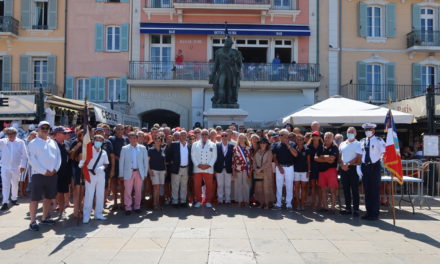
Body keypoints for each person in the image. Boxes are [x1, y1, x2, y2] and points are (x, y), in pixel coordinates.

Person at [27, 121, 61, 231]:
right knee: (34, 199)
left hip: (52, 174)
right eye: (43, 127)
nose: (45, 129)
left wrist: (56, 169)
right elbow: (32, 160)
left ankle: (44, 217)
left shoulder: (53, 142)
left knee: (48, 198)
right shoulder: (33, 143)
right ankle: (32, 221)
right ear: (38, 128)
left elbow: (58, 157)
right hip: (38, 175)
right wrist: (43, 171)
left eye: (47, 127)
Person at [79, 135, 109, 224]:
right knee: (89, 195)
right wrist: (81, 163)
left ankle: (98, 214)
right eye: (97, 140)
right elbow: (83, 161)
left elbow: (106, 163)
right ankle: (86, 215)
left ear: (102, 142)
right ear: (93, 140)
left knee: (100, 194)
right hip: (89, 174)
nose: (98, 141)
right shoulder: (88, 150)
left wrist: (102, 167)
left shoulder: (104, 152)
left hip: (100, 174)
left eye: (100, 140)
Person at [119, 132, 149, 215]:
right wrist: (121, 174)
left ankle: (137, 206)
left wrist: (145, 173)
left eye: (134, 138)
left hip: (139, 172)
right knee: (128, 191)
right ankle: (128, 207)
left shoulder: (142, 148)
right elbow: (121, 162)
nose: (133, 140)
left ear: (137, 138)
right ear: (129, 139)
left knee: (138, 191)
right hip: (128, 172)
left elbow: (145, 162)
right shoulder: (124, 148)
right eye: (131, 138)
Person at [360, 123, 386, 221]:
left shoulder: (379, 140)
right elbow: (361, 154)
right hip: (365, 167)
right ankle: (368, 212)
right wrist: (359, 167)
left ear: (374, 130)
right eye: (366, 130)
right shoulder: (362, 141)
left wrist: (383, 157)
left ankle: (374, 213)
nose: (367, 131)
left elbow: (384, 151)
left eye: (369, 129)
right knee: (367, 190)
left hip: (374, 167)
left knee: (374, 191)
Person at [0, 127, 28, 211]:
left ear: (15, 134)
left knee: (15, 184)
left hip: (16, 167)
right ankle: (5, 202)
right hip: (5, 167)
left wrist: (23, 166)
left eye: (11, 133)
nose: (10, 135)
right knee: (6, 185)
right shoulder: (3, 141)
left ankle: (14, 198)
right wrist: (3, 131)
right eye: (8, 134)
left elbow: (24, 155)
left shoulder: (20, 142)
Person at [339, 127, 362, 217]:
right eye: (348, 132)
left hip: (353, 168)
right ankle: (348, 208)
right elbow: (339, 156)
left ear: (356, 133)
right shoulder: (342, 143)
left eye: (352, 132)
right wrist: (342, 164)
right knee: (345, 189)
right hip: (343, 169)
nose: (350, 133)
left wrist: (347, 164)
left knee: (355, 190)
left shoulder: (358, 144)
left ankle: (356, 209)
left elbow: (358, 157)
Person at [272, 129, 298, 209]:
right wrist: (279, 167)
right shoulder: (276, 145)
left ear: (286, 136)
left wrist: (288, 145)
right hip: (279, 167)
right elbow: (274, 158)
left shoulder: (292, 144)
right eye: (280, 135)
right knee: (279, 185)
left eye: (281, 135)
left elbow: (295, 155)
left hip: (289, 167)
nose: (280, 136)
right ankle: (278, 203)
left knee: (289, 186)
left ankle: (288, 203)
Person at [191, 129, 217, 208]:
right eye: (203, 134)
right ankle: (199, 200)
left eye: (206, 134)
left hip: (208, 168)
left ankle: (208, 201)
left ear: (208, 135)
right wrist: (198, 165)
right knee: (197, 185)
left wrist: (208, 165)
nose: (204, 136)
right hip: (197, 168)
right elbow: (193, 155)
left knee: (209, 185)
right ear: (201, 135)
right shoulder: (195, 144)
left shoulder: (213, 144)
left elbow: (214, 156)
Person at [166, 130, 192, 207]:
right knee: (175, 185)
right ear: (179, 136)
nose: (183, 136)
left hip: (186, 168)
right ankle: (175, 201)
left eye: (185, 135)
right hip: (176, 168)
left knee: (184, 185)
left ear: (186, 136)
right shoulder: (174, 144)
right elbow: (168, 155)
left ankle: (183, 201)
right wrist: (171, 163)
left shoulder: (189, 145)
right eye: (182, 135)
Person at [315, 132, 339, 212]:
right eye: (326, 137)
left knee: (333, 190)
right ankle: (325, 207)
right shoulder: (320, 147)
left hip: (331, 171)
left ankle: (332, 207)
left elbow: (331, 161)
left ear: (332, 138)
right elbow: (315, 158)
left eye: (329, 137)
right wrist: (327, 158)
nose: (327, 138)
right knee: (323, 190)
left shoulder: (335, 147)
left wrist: (321, 157)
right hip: (321, 171)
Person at [52, 127, 72, 219]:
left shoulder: (67, 143)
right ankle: (58, 211)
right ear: (57, 134)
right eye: (64, 133)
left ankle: (61, 211)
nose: (66, 135)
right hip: (55, 172)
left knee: (64, 192)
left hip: (66, 172)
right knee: (57, 193)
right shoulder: (52, 144)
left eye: (66, 133)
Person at [109, 124, 128, 210]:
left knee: (123, 184)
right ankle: (115, 203)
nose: (120, 130)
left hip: (124, 165)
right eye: (118, 129)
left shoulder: (126, 139)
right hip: (114, 164)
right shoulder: (111, 139)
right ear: (115, 130)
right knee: (114, 184)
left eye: (122, 129)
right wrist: (119, 158)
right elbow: (111, 152)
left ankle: (123, 203)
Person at [253, 138, 274, 209]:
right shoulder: (256, 152)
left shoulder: (269, 152)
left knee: (266, 187)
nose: (262, 144)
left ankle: (267, 204)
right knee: (259, 188)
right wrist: (256, 169)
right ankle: (261, 203)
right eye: (261, 143)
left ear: (267, 144)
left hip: (266, 172)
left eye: (264, 143)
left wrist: (260, 169)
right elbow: (254, 162)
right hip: (258, 172)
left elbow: (268, 163)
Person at [214, 131, 234, 204]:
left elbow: (233, 158)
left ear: (228, 137)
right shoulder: (217, 146)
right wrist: (215, 169)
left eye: (226, 135)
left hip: (228, 168)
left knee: (228, 185)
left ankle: (228, 199)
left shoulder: (232, 146)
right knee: (220, 185)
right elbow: (215, 157)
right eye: (223, 136)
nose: (224, 137)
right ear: (221, 137)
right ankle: (220, 199)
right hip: (219, 168)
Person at [232, 133, 252, 206]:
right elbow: (233, 160)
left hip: (246, 169)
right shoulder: (235, 148)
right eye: (240, 138)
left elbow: (250, 159)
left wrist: (250, 169)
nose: (241, 139)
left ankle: (246, 200)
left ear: (245, 139)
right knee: (239, 185)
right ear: (238, 139)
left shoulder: (248, 148)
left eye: (243, 138)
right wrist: (233, 171)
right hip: (238, 169)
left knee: (246, 185)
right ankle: (240, 200)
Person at [148, 134, 167, 210]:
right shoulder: (150, 150)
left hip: (162, 170)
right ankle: (155, 204)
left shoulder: (163, 150)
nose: (158, 142)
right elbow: (147, 161)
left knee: (159, 187)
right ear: (154, 141)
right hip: (154, 170)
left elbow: (164, 161)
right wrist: (149, 171)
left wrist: (166, 170)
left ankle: (158, 203)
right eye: (156, 141)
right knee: (156, 187)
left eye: (159, 141)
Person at [307, 131, 322, 209]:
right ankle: (313, 202)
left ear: (319, 137)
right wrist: (308, 170)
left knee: (319, 186)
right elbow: (308, 160)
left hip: (321, 168)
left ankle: (320, 203)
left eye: (316, 135)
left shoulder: (323, 146)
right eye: (313, 135)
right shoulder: (308, 146)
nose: (315, 137)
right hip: (312, 168)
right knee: (313, 186)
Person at [293, 134, 309, 210]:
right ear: (296, 140)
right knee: (296, 188)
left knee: (303, 188)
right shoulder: (294, 148)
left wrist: (309, 171)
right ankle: (298, 204)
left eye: (301, 139)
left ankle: (302, 204)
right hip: (295, 171)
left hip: (304, 171)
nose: (299, 141)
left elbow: (308, 162)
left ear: (303, 140)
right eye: (298, 139)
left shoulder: (306, 149)